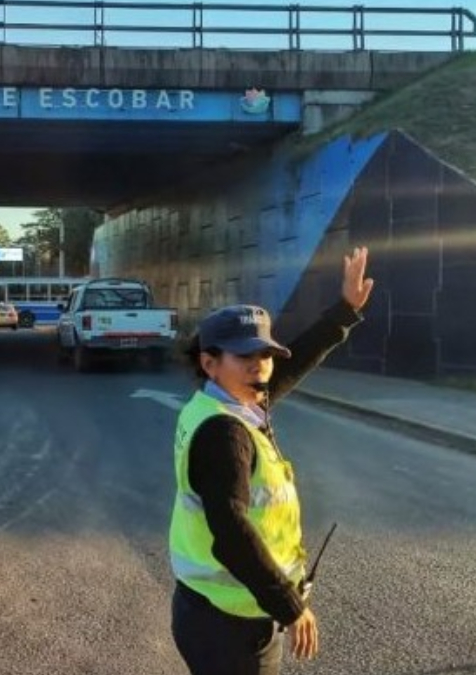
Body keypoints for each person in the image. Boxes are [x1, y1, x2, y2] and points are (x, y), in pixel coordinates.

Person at [169, 246, 374, 675]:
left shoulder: (225, 402)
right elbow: (231, 532)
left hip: (210, 610)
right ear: (210, 363)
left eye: (265, 354)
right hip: (230, 625)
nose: (260, 366)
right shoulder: (224, 431)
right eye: (245, 356)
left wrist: (345, 311)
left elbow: (292, 363)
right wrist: (291, 606)